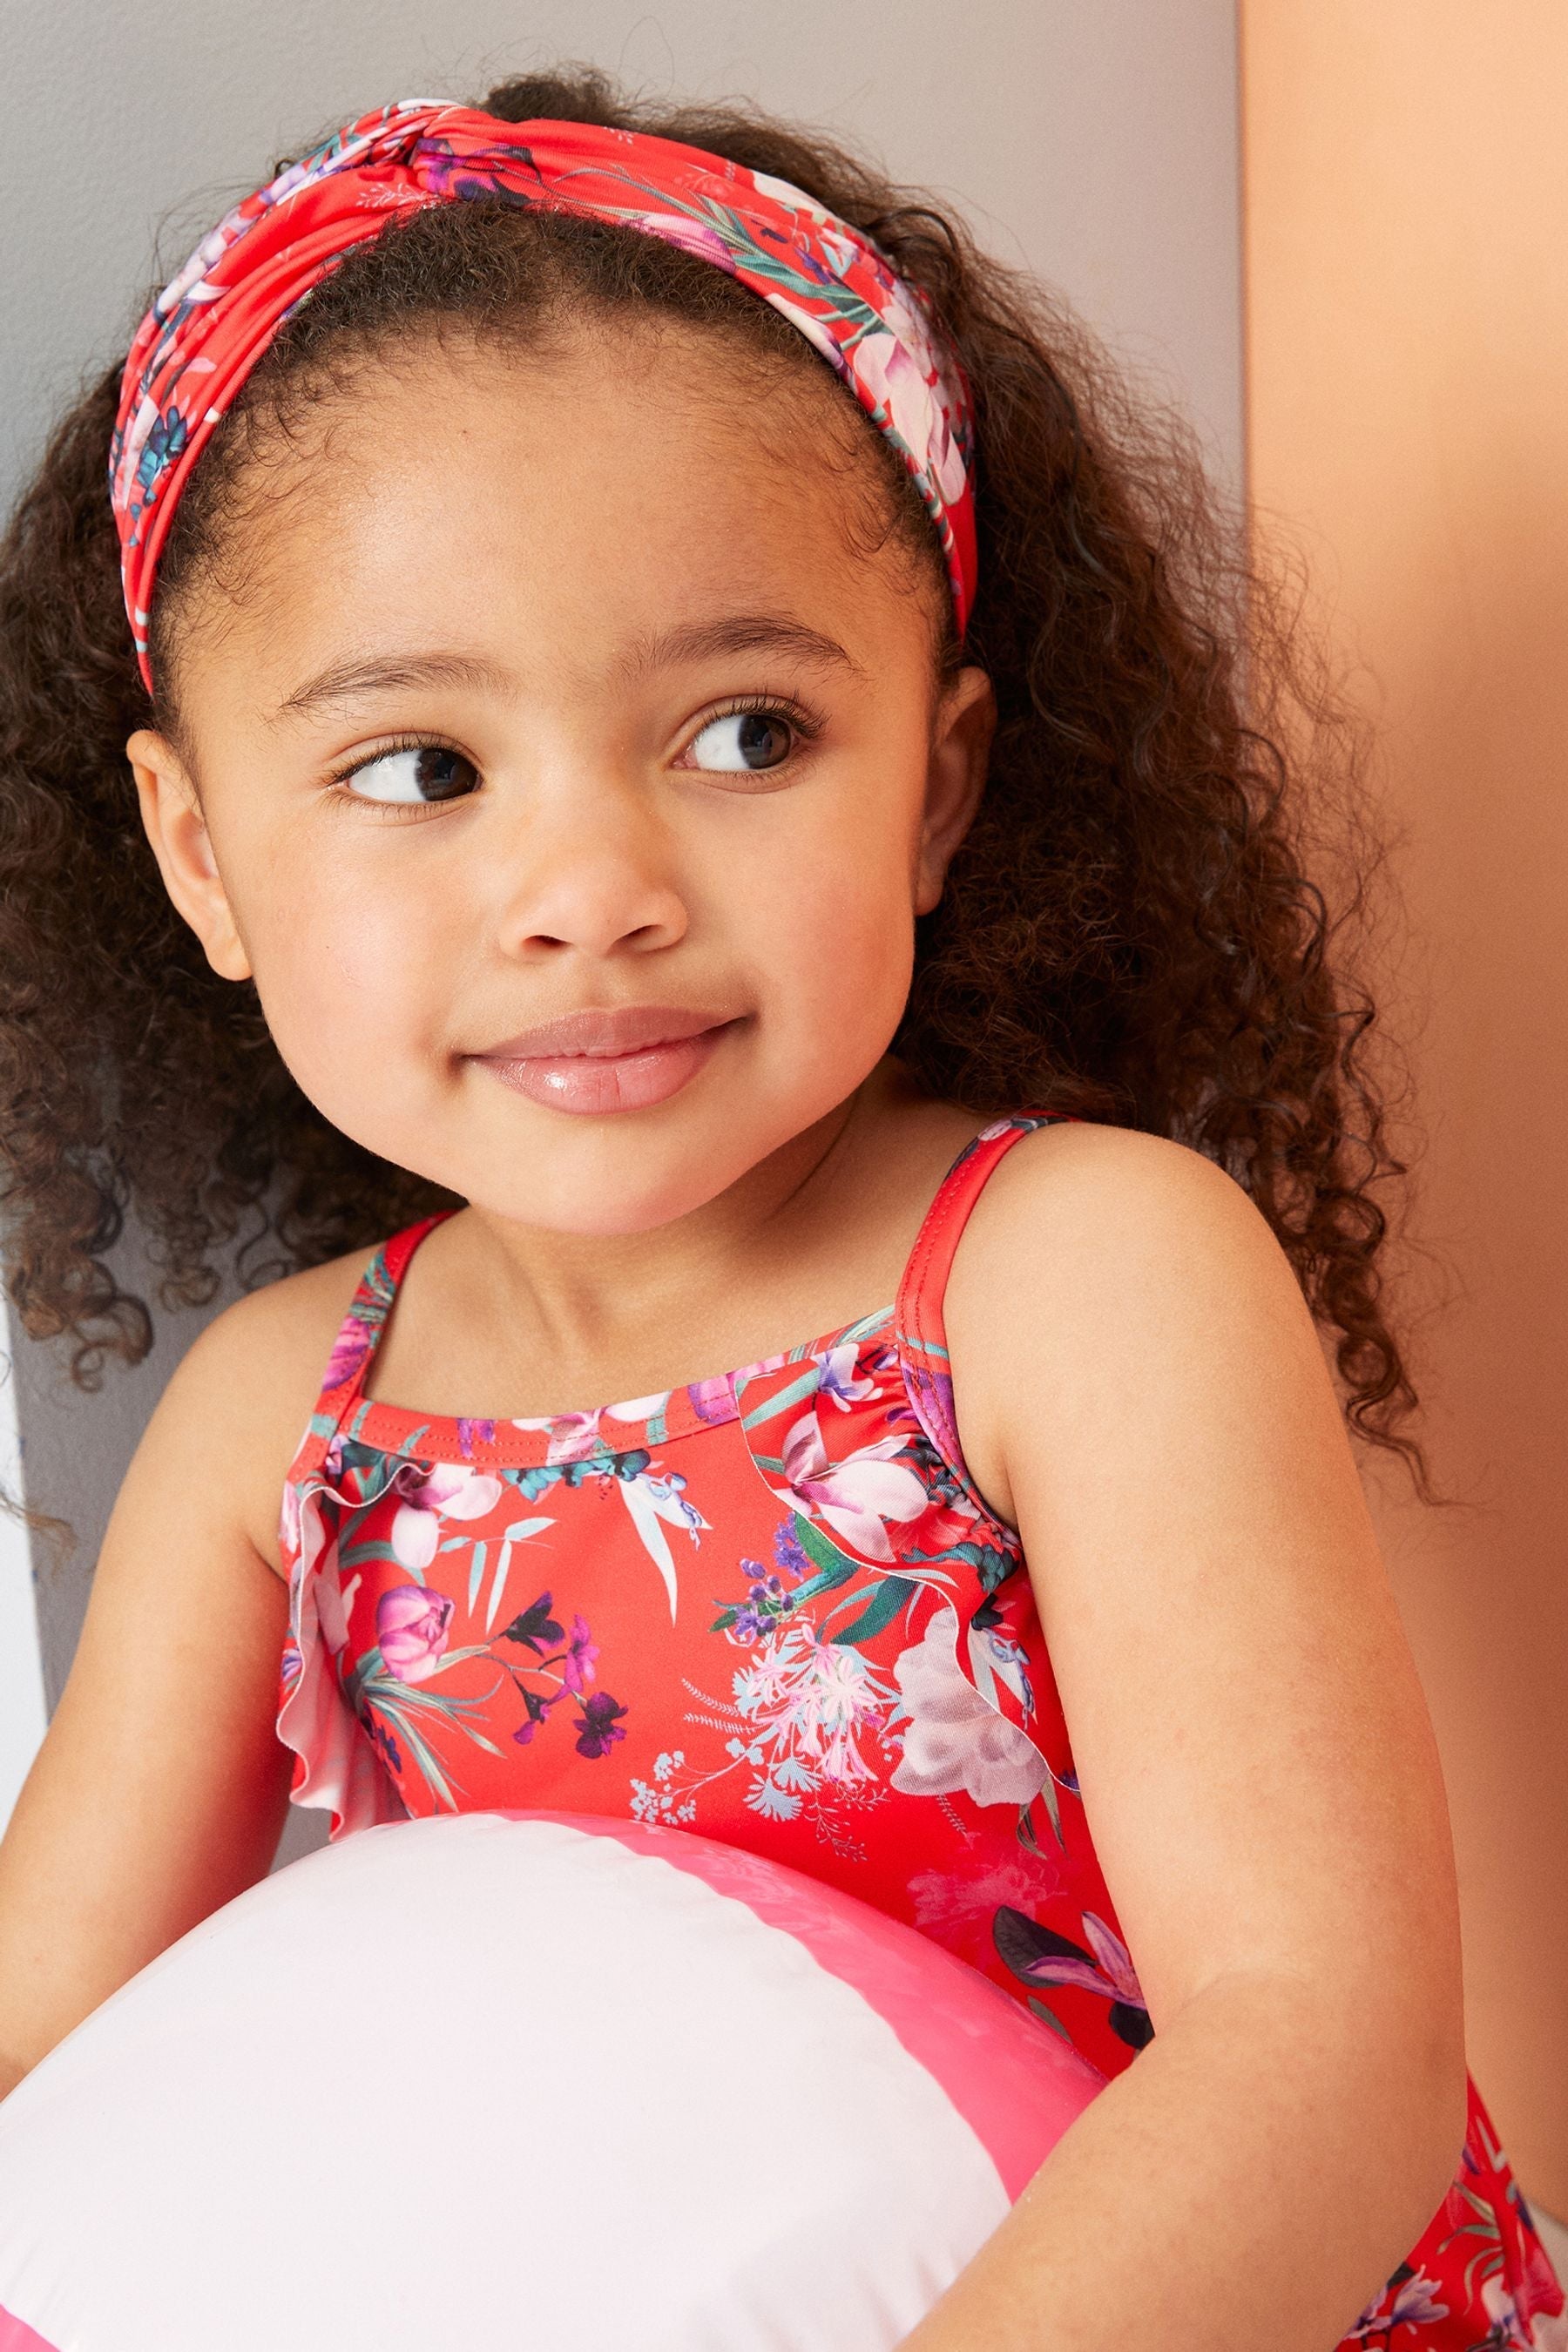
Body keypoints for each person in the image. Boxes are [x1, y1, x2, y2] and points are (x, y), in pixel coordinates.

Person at [0, 64, 1559, 2352]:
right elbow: (43, 2030)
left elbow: (1323, 2048)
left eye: (746, 735)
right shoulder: (287, 1417)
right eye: (420, 769)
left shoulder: (1074, 1276)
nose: (589, 896)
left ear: (939, 786)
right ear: (204, 853)